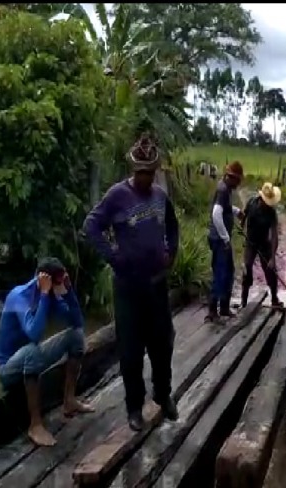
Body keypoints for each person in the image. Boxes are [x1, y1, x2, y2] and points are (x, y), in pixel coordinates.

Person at [83, 134, 180, 432]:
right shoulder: (116, 196)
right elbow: (91, 227)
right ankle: (134, 407)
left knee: (163, 343)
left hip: (157, 283)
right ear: (133, 170)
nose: (145, 178)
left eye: (150, 173)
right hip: (128, 288)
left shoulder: (160, 196)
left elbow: (173, 227)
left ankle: (163, 394)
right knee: (131, 350)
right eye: (141, 173)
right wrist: (114, 256)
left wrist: (171, 252)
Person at [0, 257, 94, 447]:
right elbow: (34, 333)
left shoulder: (49, 296)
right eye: (57, 281)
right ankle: (35, 424)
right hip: (8, 368)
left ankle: (69, 400)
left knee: (76, 336)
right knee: (32, 349)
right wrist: (45, 293)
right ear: (42, 279)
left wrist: (69, 291)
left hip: (30, 359)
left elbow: (77, 322)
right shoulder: (19, 296)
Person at [207, 161, 244, 322]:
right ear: (232, 178)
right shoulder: (223, 190)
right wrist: (226, 238)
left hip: (221, 239)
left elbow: (224, 208)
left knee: (228, 272)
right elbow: (216, 214)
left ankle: (223, 308)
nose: (239, 183)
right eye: (238, 180)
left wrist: (236, 211)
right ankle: (212, 311)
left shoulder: (225, 189)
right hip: (220, 240)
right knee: (221, 273)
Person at [240, 182, 284, 309]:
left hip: (264, 243)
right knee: (247, 268)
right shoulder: (251, 203)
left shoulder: (271, 212)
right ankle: (244, 302)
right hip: (250, 241)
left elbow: (275, 234)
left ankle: (274, 299)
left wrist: (273, 258)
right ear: (262, 198)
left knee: (270, 271)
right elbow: (244, 215)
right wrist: (241, 225)